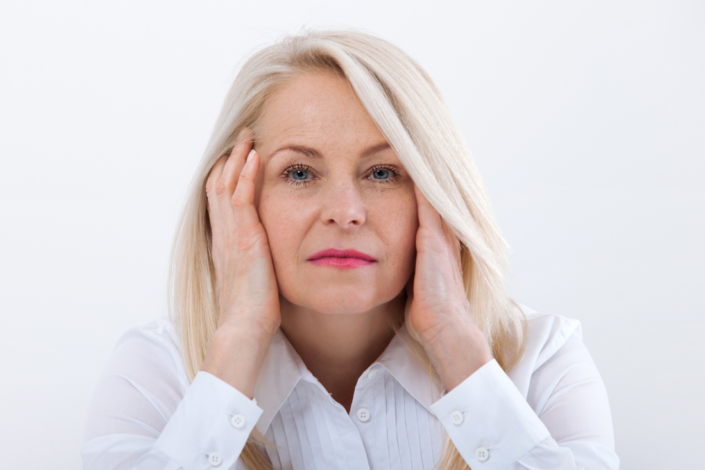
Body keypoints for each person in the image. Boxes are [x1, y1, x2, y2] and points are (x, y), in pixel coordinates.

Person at [81, 29, 619, 470]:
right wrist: (240, 331)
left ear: (437, 193)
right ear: (233, 194)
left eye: (383, 172)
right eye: (299, 172)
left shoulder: (542, 357)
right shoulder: (157, 369)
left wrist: (455, 338)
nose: (346, 210)